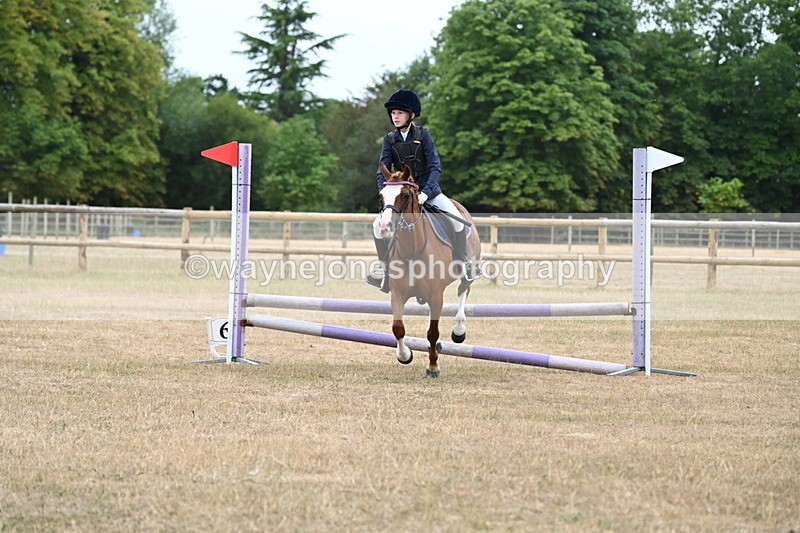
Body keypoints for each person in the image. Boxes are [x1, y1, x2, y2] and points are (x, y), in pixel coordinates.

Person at [366, 89, 479, 292]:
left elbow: (435, 167)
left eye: (400, 112)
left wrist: (426, 192)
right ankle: (384, 271)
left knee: (457, 220)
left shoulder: (423, 135)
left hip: (429, 192)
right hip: (402, 197)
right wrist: (386, 196)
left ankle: (464, 265)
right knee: (377, 225)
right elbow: (381, 172)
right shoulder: (389, 140)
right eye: (393, 113)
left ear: (412, 115)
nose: (395, 116)